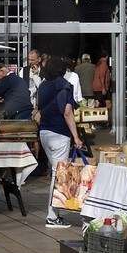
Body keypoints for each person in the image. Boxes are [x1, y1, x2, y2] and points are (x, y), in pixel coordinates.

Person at [36, 59, 81, 227]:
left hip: (45, 132)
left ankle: (54, 214)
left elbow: (41, 107)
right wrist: (76, 137)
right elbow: (68, 113)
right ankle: (52, 216)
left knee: (56, 173)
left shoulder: (43, 86)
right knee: (58, 175)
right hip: (60, 133)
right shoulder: (65, 85)